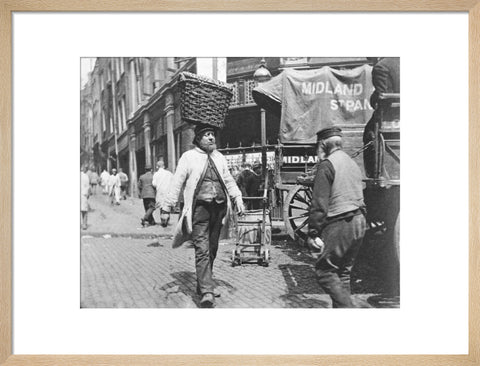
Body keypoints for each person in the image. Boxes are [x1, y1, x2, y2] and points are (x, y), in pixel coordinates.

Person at [161, 123, 245, 308]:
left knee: (213, 248)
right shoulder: (188, 157)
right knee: (202, 249)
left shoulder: (220, 157)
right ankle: (207, 291)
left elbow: (228, 179)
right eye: (206, 135)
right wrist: (167, 207)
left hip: (219, 209)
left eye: (212, 134)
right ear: (198, 139)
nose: (211, 138)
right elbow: (177, 182)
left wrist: (237, 198)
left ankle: (203, 283)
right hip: (199, 210)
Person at [307, 127, 367, 308]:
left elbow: (320, 203)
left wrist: (313, 232)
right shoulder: (351, 162)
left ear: (323, 145)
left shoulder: (327, 164)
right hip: (359, 220)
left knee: (324, 272)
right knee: (343, 273)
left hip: (340, 221)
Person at [363, 57, 400, 178]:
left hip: (392, 116)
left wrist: (373, 98)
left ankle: (375, 174)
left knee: (369, 132)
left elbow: (382, 96)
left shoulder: (381, 67)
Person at [152, 160, 173, 225]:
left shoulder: (156, 174)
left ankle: (163, 220)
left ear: (157, 166)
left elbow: (154, 184)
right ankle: (167, 218)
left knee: (161, 205)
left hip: (160, 192)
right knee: (167, 205)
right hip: (168, 191)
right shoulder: (169, 173)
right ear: (163, 166)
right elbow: (173, 182)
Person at [80, 166, 90, 230]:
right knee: (84, 211)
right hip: (84, 194)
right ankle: (84, 224)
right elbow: (88, 187)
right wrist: (88, 194)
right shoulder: (86, 176)